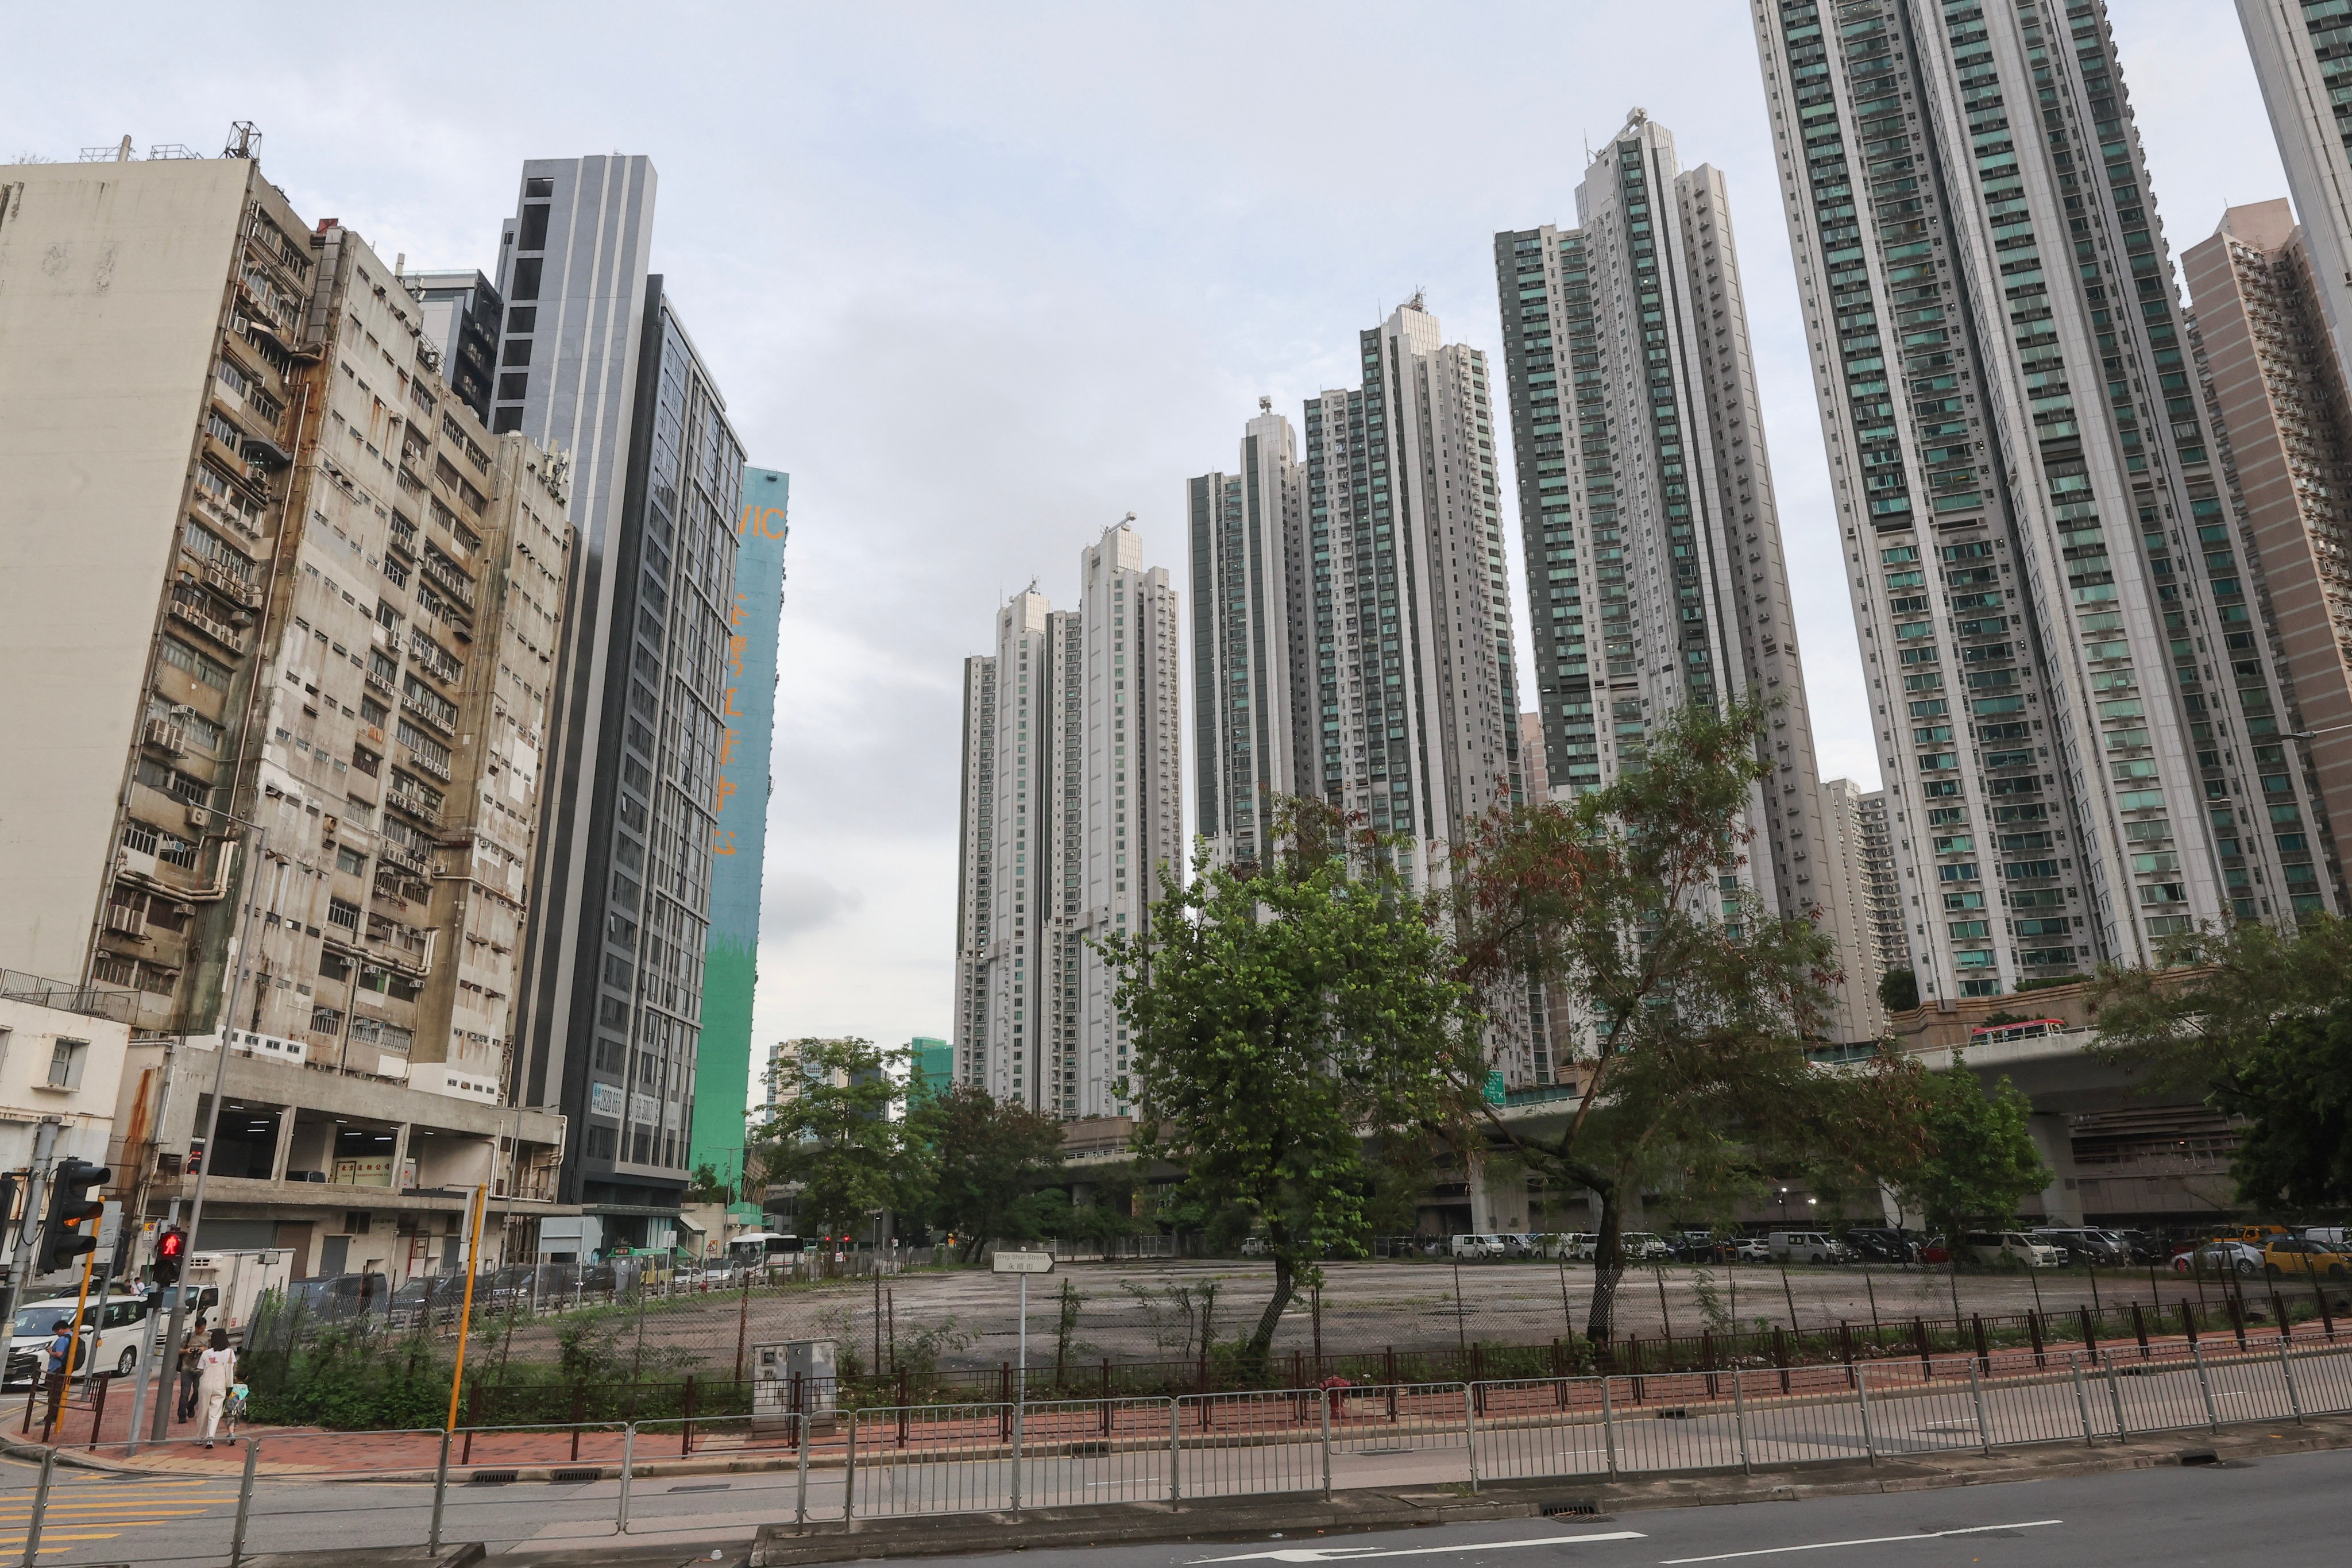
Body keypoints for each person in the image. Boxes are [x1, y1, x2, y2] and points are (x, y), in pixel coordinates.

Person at [196, 1328, 237, 1449]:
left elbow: (200, 1369)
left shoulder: (206, 1353)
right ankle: (210, 1438)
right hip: (221, 1383)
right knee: (215, 1412)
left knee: (203, 1410)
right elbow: (232, 1368)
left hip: (206, 1383)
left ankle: (199, 1438)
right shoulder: (229, 1352)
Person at [176, 1318, 207, 1423]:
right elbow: (177, 1350)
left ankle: (191, 1405)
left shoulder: (209, 1336)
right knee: (185, 1393)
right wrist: (186, 1351)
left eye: (201, 1329)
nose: (199, 1331)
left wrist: (205, 1350)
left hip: (200, 1369)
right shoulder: (189, 1337)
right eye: (198, 1329)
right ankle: (182, 1415)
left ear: (205, 1327)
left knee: (198, 1391)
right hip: (187, 1368)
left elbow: (215, 1350)